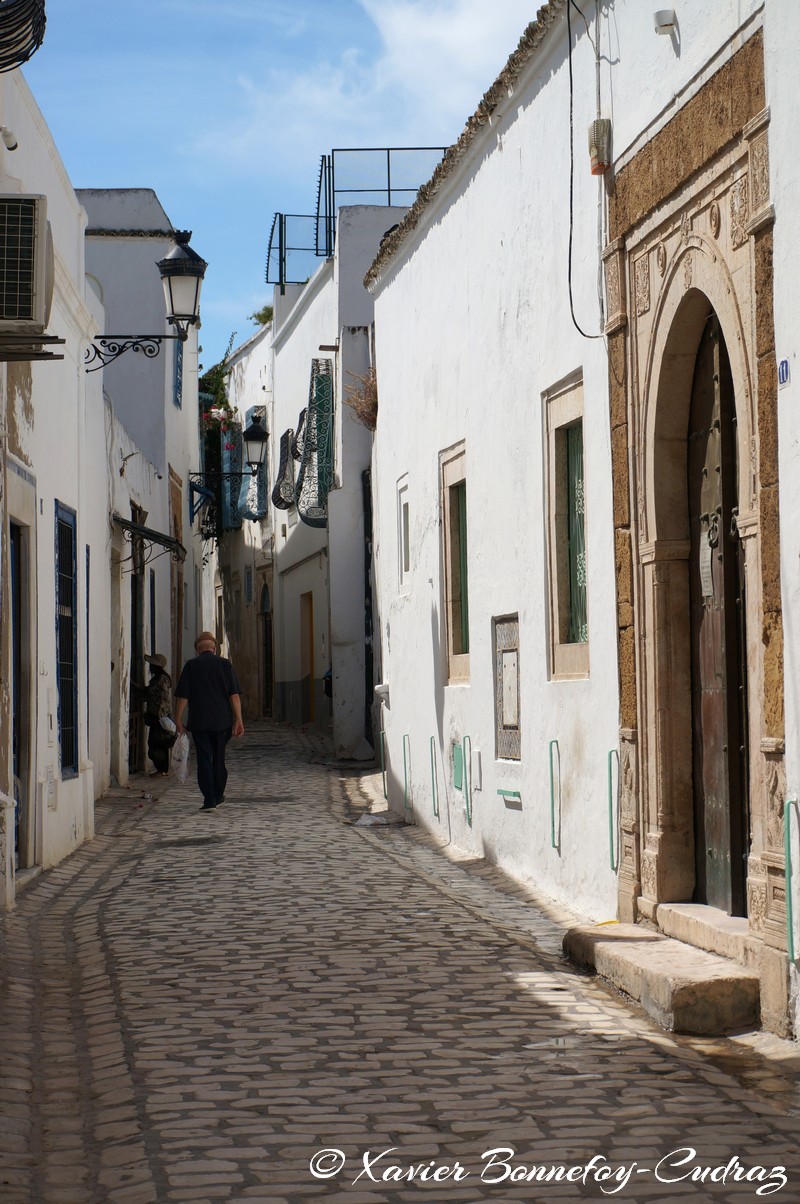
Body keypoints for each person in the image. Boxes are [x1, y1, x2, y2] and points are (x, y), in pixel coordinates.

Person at [174, 631, 244, 811]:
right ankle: (219, 794)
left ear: (198, 650)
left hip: (199, 721)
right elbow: (234, 695)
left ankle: (209, 800)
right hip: (222, 721)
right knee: (219, 757)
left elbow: (183, 697)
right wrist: (239, 719)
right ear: (214, 649)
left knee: (204, 759)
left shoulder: (191, 666)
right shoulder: (225, 665)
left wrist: (178, 719)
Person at [144, 653, 175, 776]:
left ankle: (162, 770)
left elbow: (163, 698)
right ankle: (161, 769)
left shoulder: (162, 679)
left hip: (160, 718)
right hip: (157, 717)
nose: (150, 667)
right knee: (156, 743)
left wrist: (159, 715)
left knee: (158, 743)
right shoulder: (156, 679)